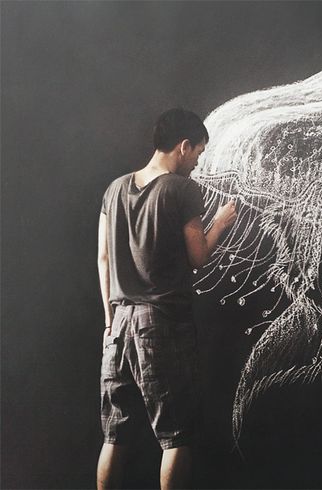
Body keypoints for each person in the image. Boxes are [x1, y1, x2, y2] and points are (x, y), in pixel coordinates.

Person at [96, 108, 237, 489]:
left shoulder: (114, 189)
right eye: (198, 154)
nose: (197, 163)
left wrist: (110, 320)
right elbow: (198, 256)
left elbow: (104, 258)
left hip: (119, 323)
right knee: (177, 435)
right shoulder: (182, 189)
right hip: (162, 323)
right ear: (183, 146)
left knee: (115, 435)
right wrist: (221, 222)